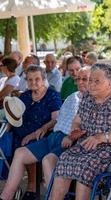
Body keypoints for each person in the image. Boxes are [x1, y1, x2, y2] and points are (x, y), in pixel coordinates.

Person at [50, 63, 111, 200]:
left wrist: (101, 137)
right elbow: (77, 121)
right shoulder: (87, 97)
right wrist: (75, 132)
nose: (91, 84)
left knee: (85, 165)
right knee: (64, 159)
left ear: (109, 84)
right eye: (90, 80)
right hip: (87, 143)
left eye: (97, 81)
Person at [0, 67, 91, 200]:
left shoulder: (93, 101)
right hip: (52, 136)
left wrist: (70, 136)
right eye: (78, 79)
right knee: (20, 153)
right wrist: (45, 127)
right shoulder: (72, 97)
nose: (81, 82)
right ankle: (6, 196)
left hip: (69, 140)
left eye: (85, 79)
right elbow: (58, 119)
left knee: (47, 160)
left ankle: (53, 197)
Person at [1, 65, 62, 200]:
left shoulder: (52, 95)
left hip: (41, 134)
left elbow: (55, 120)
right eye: (30, 80)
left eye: (37, 79)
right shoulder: (26, 95)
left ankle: (32, 186)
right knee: (7, 144)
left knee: (26, 144)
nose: (33, 82)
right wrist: (6, 131)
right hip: (19, 132)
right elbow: (14, 115)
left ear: (43, 79)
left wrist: (35, 133)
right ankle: (11, 189)